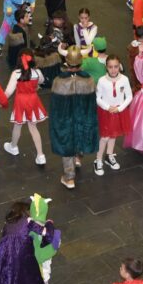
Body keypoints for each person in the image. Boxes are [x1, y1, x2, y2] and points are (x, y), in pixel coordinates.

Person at [50, 48, 99, 189]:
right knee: (81, 136)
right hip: (83, 118)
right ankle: (78, 158)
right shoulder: (89, 80)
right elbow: (92, 103)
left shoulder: (58, 81)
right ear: (81, 61)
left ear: (67, 62)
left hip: (65, 120)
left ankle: (69, 178)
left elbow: (55, 107)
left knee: (67, 145)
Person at [4, 50, 48, 166]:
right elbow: (42, 81)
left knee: (17, 125)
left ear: (19, 59)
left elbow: (8, 92)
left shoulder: (16, 73)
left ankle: (13, 147)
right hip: (33, 100)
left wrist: (1, 100)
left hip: (20, 102)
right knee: (33, 127)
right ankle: (41, 155)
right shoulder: (37, 72)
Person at [95, 54, 133, 176]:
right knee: (105, 137)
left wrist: (120, 108)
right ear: (106, 67)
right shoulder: (102, 81)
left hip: (119, 111)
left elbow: (129, 96)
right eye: (110, 67)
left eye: (116, 66)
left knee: (114, 135)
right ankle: (98, 159)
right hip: (106, 112)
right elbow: (98, 98)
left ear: (119, 66)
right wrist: (107, 107)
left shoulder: (124, 79)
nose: (113, 70)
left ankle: (109, 155)